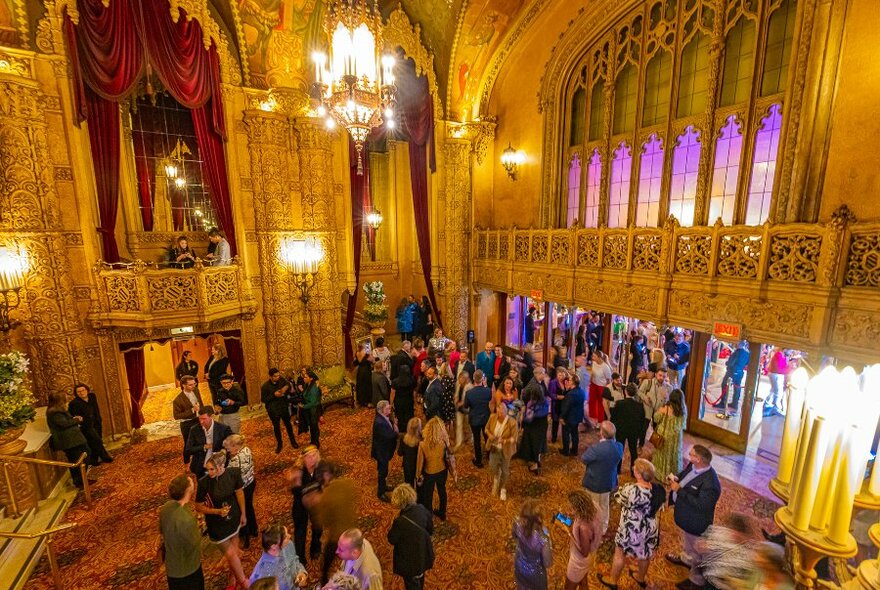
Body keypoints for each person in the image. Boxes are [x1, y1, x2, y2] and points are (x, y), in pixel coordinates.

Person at [598, 459, 664, 590]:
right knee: (645, 554)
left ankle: (612, 581)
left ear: (639, 475)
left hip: (631, 528)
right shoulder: (658, 489)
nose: (633, 468)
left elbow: (618, 497)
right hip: (649, 527)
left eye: (635, 468)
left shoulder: (631, 489)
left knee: (619, 553)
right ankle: (640, 578)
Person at [666, 445, 723, 590]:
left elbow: (701, 506)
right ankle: (686, 559)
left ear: (698, 459)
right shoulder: (693, 465)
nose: (688, 456)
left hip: (696, 522)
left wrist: (679, 490)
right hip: (686, 515)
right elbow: (685, 473)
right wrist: (677, 477)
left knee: (697, 552)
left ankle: (695, 581)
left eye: (691, 454)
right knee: (688, 543)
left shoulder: (711, 484)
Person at [194, 452, 248, 589]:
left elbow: (240, 493)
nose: (209, 472)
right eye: (208, 469)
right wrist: (216, 512)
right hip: (216, 524)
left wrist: (243, 513)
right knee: (230, 553)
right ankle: (244, 582)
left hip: (234, 517)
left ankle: (232, 575)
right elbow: (198, 506)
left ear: (221, 466)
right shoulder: (204, 482)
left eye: (212, 469)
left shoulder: (233, 473)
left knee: (234, 553)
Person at [312, 461, 358, 584]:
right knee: (354, 558)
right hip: (352, 529)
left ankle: (324, 579)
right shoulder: (347, 484)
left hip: (336, 535)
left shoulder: (326, 495)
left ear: (325, 475)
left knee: (328, 558)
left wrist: (318, 504)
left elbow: (322, 522)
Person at [159, 474, 204, 589]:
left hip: (172, 566)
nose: (193, 481)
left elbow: (162, 529)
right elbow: (194, 545)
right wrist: (200, 529)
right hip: (187, 569)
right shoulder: (186, 520)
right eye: (191, 482)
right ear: (188, 490)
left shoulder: (166, 507)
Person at [580, 421, 624, 535]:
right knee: (604, 506)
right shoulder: (619, 447)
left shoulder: (596, 449)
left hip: (594, 482)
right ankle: (603, 528)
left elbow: (584, 459)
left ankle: (592, 527)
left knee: (593, 506)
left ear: (601, 433)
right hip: (608, 482)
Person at [387, 483, 434, 590]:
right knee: (420, 577)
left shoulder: (400, 522)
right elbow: (430, 529)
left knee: (412, 584)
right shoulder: (421, 509)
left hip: (410, 560)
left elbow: (391, 539)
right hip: (423, 553)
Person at [698, 513, 759, 590]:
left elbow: (750, 576)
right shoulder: (720, 534)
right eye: (733, 533)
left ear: (745, 535)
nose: (734, 536)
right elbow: (702, 543)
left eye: (739, 536)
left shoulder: (750, 551)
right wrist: (703, 545)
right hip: (713, 578)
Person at [285, 445, 323, 564]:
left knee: (318, 527)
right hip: (300, 504)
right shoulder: (298, 470)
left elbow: (325, 484)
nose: (312, 459)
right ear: (303, 458)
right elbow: (295, 491)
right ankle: (300, 558)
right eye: (309, 457)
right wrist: (311, 492)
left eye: (314, 455)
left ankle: (315, 547)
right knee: (300, 531)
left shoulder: (321, 468)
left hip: (316, 504)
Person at [557, 490, 602, 590]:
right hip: (592, 553)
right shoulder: (593, 507)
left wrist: (568, 531)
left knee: (568, 588)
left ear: (579, 508)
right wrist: (570, 517)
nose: (569, 509)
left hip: (579, 562)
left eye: (571, 508)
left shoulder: (583, 528)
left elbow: (584, 552)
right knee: (583, 582)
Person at [46, 391, 90, 489]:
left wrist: (73, 419)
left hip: (74, 439)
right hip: (69, 441)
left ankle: (82, 479)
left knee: (85, 455)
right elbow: (64, 424)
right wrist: (76, 420)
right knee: (77, 460)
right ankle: (80, 482)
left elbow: (66, 421)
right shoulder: (54, 412)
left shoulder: (59, 410)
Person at [249, 524, 308, 590]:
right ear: (274, 546)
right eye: (285, 537)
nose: (290, 536)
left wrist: (302, 572)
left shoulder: (288, 544)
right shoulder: (261, 574)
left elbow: (295, 560)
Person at [225, 434, 258, 548]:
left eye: (229, 448)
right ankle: (254, 529)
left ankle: (246, 535)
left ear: (235, 446)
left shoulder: (235, 460)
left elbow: (229, 475)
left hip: (242, 488)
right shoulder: (246, 449)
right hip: (251, 482)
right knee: (249, 506)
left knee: (241, 511)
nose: (227, 451)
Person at [416, 416, 451, 521]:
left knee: (428, 494)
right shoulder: (443, 442)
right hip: (442, 470)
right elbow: (449, 454)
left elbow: (420, 463)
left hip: (429, 472)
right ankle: (442, 513)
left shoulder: (422, 444)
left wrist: (418, 475)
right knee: (442, 491)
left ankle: (429, 515)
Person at [512, 499, 553, 590]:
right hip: (535, 574)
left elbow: (514, 536)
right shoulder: (543, 538)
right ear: (539, 519)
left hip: (519, 565)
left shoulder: (517, 523)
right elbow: (548, 563)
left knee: (521, 585)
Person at [68, 383, 112, 464]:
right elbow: (74, 416)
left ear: (87, 390)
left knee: (95, 441)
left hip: (96, 422)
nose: (81, 392)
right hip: (86, 426)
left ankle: (94, 460)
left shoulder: (92, 396)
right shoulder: (74, 403)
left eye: (83, 390)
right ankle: (105, 457)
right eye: (79, 392)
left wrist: (99, 419)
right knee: (97, 441)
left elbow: (96, 408)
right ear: (76, 393)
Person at [485, 398, 518, 501]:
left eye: (502, 412)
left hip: (506, 450)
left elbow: (514, 439)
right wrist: (490, 435)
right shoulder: (492, 417)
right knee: (492, 467)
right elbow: (486, 429)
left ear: (506, 412)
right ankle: (496, 477)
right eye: (498, 412)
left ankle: (503, 488)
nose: (499, 415)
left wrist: (504, 441)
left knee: (505, 470)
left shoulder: (512, 422)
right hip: (494, 448)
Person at [518, 367, 549, 475]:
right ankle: (535, 461)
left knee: (536, 440)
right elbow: (525, 396)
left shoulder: (539, 383)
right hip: (536, 419)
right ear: (538, 374)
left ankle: (536, 459)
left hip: (538, 418)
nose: (545, 375)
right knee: (534, 441)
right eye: (544, 373)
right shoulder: (534, 386)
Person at [186, 406, 233, 478]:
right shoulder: (194, 430)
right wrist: (204, 446)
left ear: (212, 417)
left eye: (204, 419)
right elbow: (188, 449)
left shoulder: (223, 429)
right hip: (201, 466)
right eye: (200, 419)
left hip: (218, 466)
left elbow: (232, 444)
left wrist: (224, 451)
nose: (201, 422)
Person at [652, 389, 687, 481]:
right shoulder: (683, 409)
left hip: (664, 436)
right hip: (676, 437)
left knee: (663, 454)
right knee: (673, 454)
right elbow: (683, 425)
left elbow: (656, 419)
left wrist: (660, 410)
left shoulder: (666, 408)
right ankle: (673, 474)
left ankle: (662, 475)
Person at [610, 384, 645, 475]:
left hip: (621, 430)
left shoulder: (620, 403)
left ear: (625, 392)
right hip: (633, 431)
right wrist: (639, 432)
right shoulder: (640, 405)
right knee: (633, 451)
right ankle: (634, 472)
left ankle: (617, 470)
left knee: (619, 450)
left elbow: (614, 418)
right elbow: (642, 421)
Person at [262, 368, 298, 453]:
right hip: (273, 410)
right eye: (275, 376)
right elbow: (263, 399)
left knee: (288, 425)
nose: (278, 377)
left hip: (283, 407)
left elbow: (288, 385)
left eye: (278, 375)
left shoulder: (281, 380)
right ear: (270, 376)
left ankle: (293, 441)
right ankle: (279, 444)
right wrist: (274, 395)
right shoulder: (265, 386)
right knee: (276, 427)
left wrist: (284, 389)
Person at [463, 369, 492, 467]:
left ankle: (478, 461)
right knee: (487, 437)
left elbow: (466, 406)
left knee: (476, 440)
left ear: (473, 379)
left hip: (474, 419)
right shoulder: (488, 391)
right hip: (486, 418)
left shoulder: (469, 393)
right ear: (483, 379)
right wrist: (486, 385)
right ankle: (490, 456)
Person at [173, 375, 204, 463]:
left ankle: (200, 460)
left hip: (198, 419)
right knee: (188, 444)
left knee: (201, 440)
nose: (193, 386)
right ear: (183, 385)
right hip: (187, 424)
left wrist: (203, 414)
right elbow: (176, 416)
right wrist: (192, 410)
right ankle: (186, 463)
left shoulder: (196, 390)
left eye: (194, 384)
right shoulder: (178, 400)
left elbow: (201, 403)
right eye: (190, 385)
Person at [371, 401, 398, 501]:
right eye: (387, 409)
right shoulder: (379, 422)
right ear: (381, 410)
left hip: (384, 450)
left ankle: (384, 486)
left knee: (384, 470)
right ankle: (380, 493)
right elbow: (390, 436)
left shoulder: (383, 418)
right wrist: (396, 429)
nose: (390, 410)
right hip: (381, 452)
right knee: (382, 472)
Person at [638, 368, 671, 448]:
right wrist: (645, 398)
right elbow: (639, 392)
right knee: (643, 429)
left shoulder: (668, 387)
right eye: (660, 375)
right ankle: (640, 445)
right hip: (647, 411)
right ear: (656, 374)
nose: (662, 378)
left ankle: (656, 446)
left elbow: (669, 402)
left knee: (658, 431)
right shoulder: (648, 382)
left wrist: (666, 398)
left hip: (659, 413)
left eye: (664, 376)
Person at [716, 341, 751, 414]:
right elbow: (747, 363)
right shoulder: (747, 353)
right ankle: (735, 404)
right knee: (737, 388)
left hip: (732, 372)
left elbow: (730, 363)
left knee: (725, 385)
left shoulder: (737, 352)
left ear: (738, 344)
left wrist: (727, 362)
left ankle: (723, 403)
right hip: (740, 372)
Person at [560, 373, 585, 457]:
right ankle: (574, 451)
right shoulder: (581, 391)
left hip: (569, 418)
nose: (568, 381)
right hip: (577, 416)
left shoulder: (570, 394)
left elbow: (566, 407)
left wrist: (562, 417)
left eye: (570, 380)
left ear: (573, 382)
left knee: (566, 434)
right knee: (575, 434)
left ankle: (565, 451)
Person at [390, 365, 416, 433]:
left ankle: (401, 429)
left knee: (399, 415)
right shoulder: (412, 380)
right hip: (409, 400)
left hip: (399, 401)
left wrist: (391, 403)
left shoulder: (395, 381)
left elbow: (393, 393)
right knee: (409, 414)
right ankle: (409, 428)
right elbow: (414, 392)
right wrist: (414, 401)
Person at [588, 352, 612, 425]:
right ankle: (592, 418)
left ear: (599, 357)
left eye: (594, 356)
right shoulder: (594, 363)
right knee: (591, 401)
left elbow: (608, 380)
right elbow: (592, 373)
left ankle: (600, 421)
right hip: (593, 384)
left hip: (602, 386)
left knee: (600, 404)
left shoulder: (605, 367)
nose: (592, 358)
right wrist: (590, 381)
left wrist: (606, 390)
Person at [765, 347, 790, 416]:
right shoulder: (779, 355)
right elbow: (779, 368)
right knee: (778, 392)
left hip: (775, 374)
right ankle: (775, 408)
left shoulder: (780, 355)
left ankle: (768, 404)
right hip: (776, 374)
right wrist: (788, 369)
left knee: (773, 390)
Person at [300, 369, 322, 448]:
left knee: (314, 426)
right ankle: (313, 441)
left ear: (311, 378)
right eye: (304, 377)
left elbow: (313, 403)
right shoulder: (307, 385)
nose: (304, 378)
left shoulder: (313, 389)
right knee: (312, 426)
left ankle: (316, 443)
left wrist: (304, 406)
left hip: (314, 410)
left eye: (306, 377)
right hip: (309, 409)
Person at [452, 370, 473, 450]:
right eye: (459, 378)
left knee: (468, 425)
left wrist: (459, 403)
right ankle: (459, 442)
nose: (459, 380)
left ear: (466, 379)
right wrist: (455, 400)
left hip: (468, 410)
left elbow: (467, 400)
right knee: (459, 425)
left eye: (461, 378)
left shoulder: (470, 387)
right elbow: (456, 395)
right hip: (459, 409)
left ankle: (471, 439)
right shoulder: (458, 384)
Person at [549, 368, 569, 445]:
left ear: (565, 374)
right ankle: (554, 437)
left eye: (562, 374)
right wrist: (557, 397)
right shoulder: (553, 382)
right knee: (555, 422)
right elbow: (550, 393)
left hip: (565, 405)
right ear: (557, 375)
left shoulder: (567, 381)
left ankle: (565, 437)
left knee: (564, 421)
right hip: (556, 405)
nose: (561, 376)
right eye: (559, 375)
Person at [353, 344, 374, 408]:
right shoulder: (366, 353)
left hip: (360, 371)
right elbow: (372, 360)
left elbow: (355, 363)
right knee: (367, 386)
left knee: (361, 386)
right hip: (366, 371)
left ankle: (360, 401)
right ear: (363, 348)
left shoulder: (357, 353)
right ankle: (368, 402)